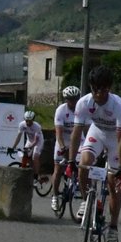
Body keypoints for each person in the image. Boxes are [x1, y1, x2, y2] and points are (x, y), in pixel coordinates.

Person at [73, 67, 121, 242]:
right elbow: (76, 132)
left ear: (109, 88)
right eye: (94, 89)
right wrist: (72, 160)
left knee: (113, 183)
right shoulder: (84, 102)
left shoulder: (118, 105)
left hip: (114, 139)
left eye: (102, 90)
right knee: (83, 164)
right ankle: (85, 200)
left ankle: (113, 226)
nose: (97, 94)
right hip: (97, 132)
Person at [51, 85, 81, 213]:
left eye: (75, 99)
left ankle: (78, 184)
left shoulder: (81, 109)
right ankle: (55, 196)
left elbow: (85, 131)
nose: (73, 102)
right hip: (63, 140)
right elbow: (59, 133)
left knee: (82, 164)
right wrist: (63, 147)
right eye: (70, 99)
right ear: (66, 99)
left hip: (78, 140)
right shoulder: (61, 110)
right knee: (58, 169)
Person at [10, 110, 45, 180]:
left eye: (30, 121)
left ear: (33, 120)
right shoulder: (22, 125)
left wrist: (30, 147)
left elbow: (36, 141)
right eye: (26, 121)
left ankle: (36, 176)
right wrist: (13, 147)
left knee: (35, 157)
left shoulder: (37, 126)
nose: (28, 123)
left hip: (38, 141)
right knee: (25, 156)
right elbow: (19, 137)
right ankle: (31, 169)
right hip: (29, 140)